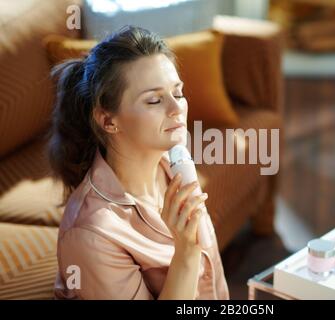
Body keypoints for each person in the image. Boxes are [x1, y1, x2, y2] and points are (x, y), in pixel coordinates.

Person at [47, 25, 229, 300]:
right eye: (154, 100)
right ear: (108, 120)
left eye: (177, 93)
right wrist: (187, 253)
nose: (176, 107)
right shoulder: (91, 235)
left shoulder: (176, 164)